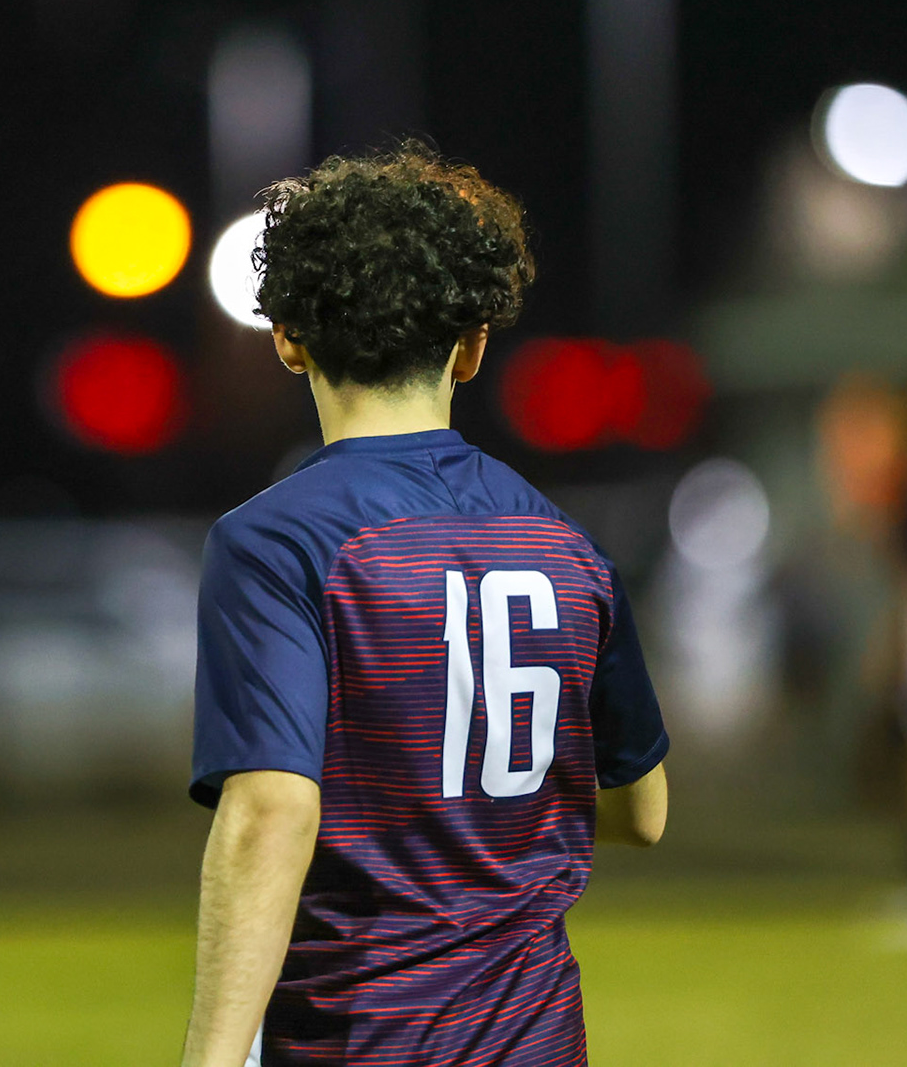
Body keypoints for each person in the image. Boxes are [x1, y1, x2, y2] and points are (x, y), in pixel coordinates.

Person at [181, 144, 670, 1067]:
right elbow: (641, 810)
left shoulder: (277, 540)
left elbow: (270, 810)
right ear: (473, 343)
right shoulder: (567, 544)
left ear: (287, 335)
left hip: (364, 1042)